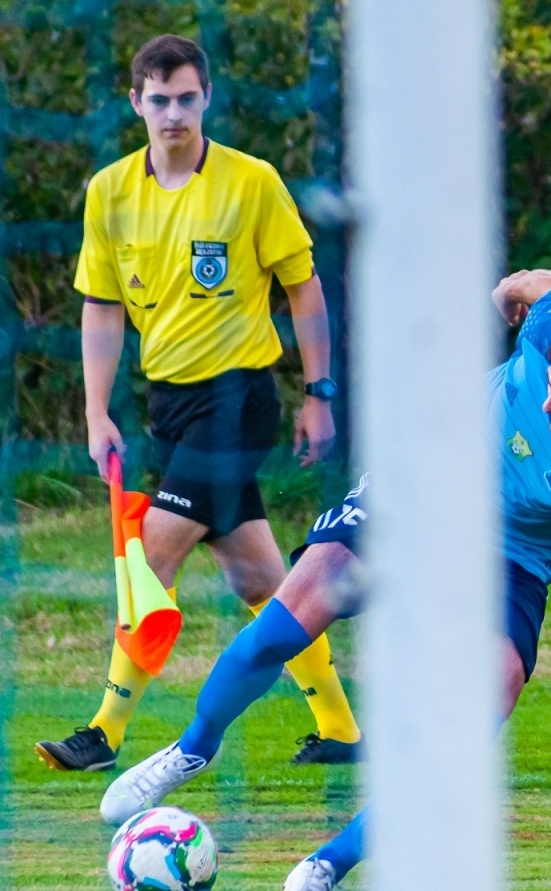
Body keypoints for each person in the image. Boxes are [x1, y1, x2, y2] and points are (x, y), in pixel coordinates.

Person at [100, 269, 551, 891]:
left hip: (508, 560)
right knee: (295, 611)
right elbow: (543, 281)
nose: (549, 409)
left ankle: (327, 864)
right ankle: (190, 749)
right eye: (548, 391)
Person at [37, 34, 360, 772]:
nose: (174, 112)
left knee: (147, 556)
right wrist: (95, 413)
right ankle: (340, 727)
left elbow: (304, 288)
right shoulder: (110, 191)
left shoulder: (252, 182)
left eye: (187, 97)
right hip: (169, 407)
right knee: (260, 582)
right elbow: (102, 309)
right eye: (160, 99)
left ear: (207, 97)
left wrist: (318, 394)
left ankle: (105, 732)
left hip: (238, 401)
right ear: (136, 103)